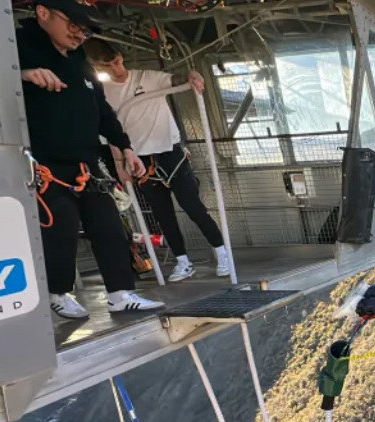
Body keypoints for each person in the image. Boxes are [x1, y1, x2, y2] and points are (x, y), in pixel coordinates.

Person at [17, 0, 164, 319]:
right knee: (61, 230)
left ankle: (121, 293)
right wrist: (22, 75)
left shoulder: (80, 61)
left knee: (109, 227)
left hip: (87, 161)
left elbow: (102, 110)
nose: (78, 34)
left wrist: (125, 147)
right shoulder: (16, 48)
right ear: (43, 12)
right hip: (45, 162)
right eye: (73, 25)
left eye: (84, 30)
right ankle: (58, 292)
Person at [83, 39, 232, 282]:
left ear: (121, 56)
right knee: (162, 214)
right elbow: (111, 131)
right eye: (106, 66)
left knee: (193, 206)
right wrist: (120, 164)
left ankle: (222, 252)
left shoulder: (148, 77)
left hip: (169, 152)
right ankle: (182, 261)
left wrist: (192, 74)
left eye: (116, 62)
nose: (115, 69)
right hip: (138, 158)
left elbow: (178, 79)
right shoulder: (103, 92)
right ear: (97, 67)